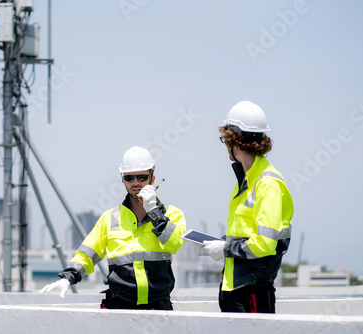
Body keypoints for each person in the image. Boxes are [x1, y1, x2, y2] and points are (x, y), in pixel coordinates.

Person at [40, 146, 186, 310]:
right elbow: (87, 254)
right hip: (119, 307)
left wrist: (155, 212)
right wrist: (68, 277)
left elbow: (175, 244)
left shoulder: (172, 214)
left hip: (159, 305)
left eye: (142, 177)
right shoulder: (110, 218)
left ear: (152, 179)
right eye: (129, 178)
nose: (136, 183)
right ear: (123, 180)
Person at [203, 101, 294, 313]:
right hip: (237, 288)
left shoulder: (266, 183)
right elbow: (247, 234)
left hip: (252, 291)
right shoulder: (247, 181)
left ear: (232, 139)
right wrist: (224, 242)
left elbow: (264, 244)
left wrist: (225, 249)